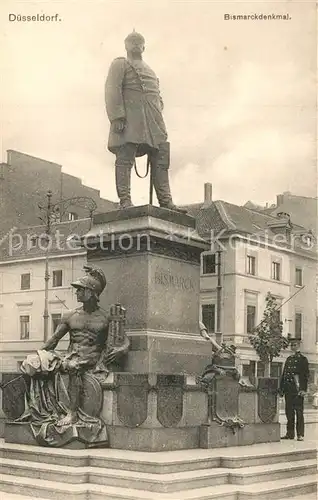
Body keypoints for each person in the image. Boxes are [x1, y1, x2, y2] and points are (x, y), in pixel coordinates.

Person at [19, 266, 129, 438]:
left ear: (92, 292)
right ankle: (36, 409)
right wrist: (37, 355)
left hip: (90, 360)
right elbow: (53, 341)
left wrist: (122, 349)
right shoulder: (70, 315)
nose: (76, 293)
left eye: (80, 290)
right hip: (70, 356)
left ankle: (72, 413)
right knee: (34, 363)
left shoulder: (106, 317)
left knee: (73, 365)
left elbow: (124, 340)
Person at [105, 30, 186, 212]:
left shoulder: (150, 70)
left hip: (153, 120)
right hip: (131, 119)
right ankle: (125, 200)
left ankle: (166, 201)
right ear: (125, 45)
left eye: (139, 42)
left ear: (144, 47)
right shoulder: (120, 64)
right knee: (125, 157)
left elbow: (158, 96)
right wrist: (117, 116)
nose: (135, 44)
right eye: (132, 41)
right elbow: (112, 89)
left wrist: (158, 109)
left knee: (161, 156)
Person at [279, 337, 309, 441]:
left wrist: (303, 389)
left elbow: (305, 376)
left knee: (299, 413)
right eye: (291, 345)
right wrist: (281, 389)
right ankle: (290, 433)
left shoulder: (303, 359)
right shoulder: (289, 359)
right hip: (289, 390)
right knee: (289, 412)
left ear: (299, 345)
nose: (293, 347)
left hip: (297, 390)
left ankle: (300, 434)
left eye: (295, 345)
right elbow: (284, 375)